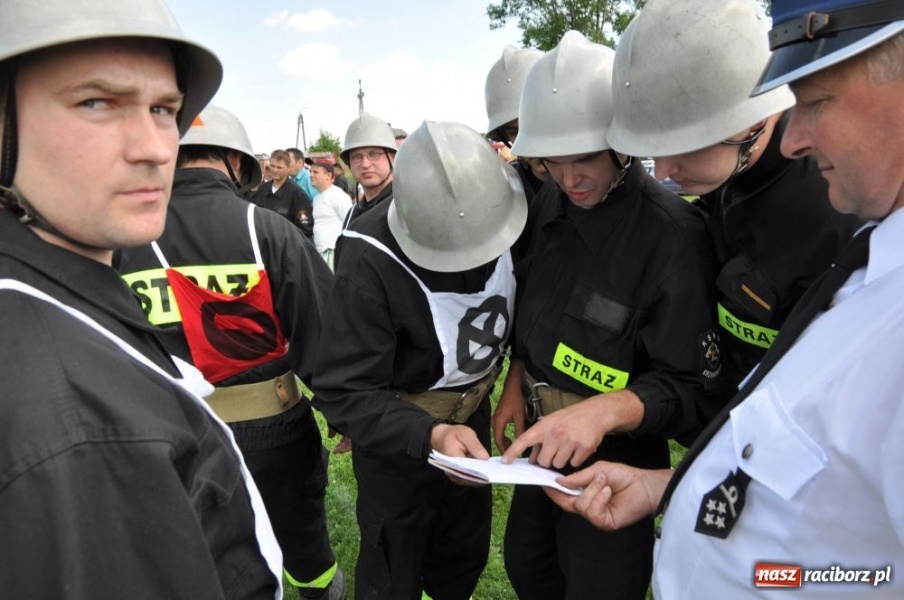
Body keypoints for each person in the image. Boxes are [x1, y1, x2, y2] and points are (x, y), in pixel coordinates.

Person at [547, 1, 904, 597]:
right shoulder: (724, 192)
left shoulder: (835, 215)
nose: (663, 171)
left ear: (752, 124)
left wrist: (779, 575)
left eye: (814, 103)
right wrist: (677, 484)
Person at [0, 0, 284, 596]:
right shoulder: (74, 421)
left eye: (164, 109)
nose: (157, 147)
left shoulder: (60, 295)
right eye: (96, 102)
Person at [492, 31, 720, 599]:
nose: (570, 180)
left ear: (622, 144)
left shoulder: (672, 237)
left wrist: (603, 413)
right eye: (552, 163)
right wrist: (518, 381)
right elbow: (539, 309)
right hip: (541, 450)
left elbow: (694, 389)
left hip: (616, 460)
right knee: (529, 570)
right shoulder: (552, 200)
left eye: (585, 159)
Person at [116, 105, 345, 599]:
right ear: (238, 163)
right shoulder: (269, 230)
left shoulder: (122, 240)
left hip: (166, 438)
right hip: (274, 434)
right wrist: (346, 415)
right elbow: (325, 334)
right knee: (304, 549)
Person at [312, 120, 527, 600]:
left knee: (461, 555)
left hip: (472, 417)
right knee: (394, 567)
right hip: (399, 444)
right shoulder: (369, 253)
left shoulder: (511, 218)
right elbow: (344, 388)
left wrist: (514, 375)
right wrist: (429, 433)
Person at [606, 0, 861, 404]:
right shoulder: (725, 179)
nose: (663, 171)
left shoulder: (838, 207)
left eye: (682, 146)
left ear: (751, 120)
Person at [484, 44, 549, 199]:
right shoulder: (506, 190)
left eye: (538, 124)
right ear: (504, 137)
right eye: (515, 131)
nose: (531, 141)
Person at [253, 148, 314, 238]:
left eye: (279, 167)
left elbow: (305, 230)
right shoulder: (263, 189)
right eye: (272, 166)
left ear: (288, 169)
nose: (275, 170)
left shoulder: (298, 195)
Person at [309, 162, 351, 270]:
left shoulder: (338, 195)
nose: (311, 175)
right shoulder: (317, 198)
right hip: (320, 251)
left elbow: (350, 223)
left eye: (315, 172)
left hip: (332, 251)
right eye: (310, 172)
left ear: (328, 175)